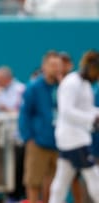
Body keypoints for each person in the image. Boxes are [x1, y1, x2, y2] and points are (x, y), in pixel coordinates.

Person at [49, 50, 99, 203]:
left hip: (76, 137)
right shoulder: (71, 83)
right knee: (93, 175)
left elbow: (86, 108)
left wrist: (95, 113)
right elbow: (66, 111)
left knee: (62, 179)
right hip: (74, 139)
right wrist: (92, 118)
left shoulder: (85, 85)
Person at [19, 50, 62, 203]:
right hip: (38, 141)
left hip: (58, 141)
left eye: (58, 65)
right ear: (44, 66)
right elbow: (25, 113)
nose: (56, 68)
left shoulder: (62, 86)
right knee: (33, 180)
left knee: (54, 181)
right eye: (52, 65)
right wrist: (28, 137)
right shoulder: (34, 87)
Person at [0, 66, 25, 202]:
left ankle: (16, 197)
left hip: (17, 138)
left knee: (17, 170)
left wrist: (5, 107)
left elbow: (19, 110)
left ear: (6, 78)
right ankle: (4, 196)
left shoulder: (20, 89)